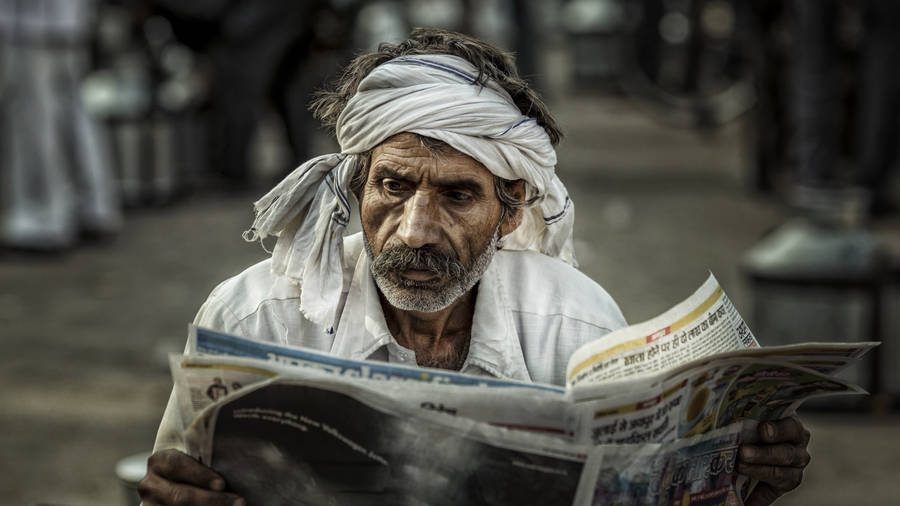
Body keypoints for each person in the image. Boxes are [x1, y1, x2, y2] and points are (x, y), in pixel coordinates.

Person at [138, 28, 811, 506]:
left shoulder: (576, 324)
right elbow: (174, 483)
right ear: (355, 189)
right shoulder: (256, 316)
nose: (415, 230)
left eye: (457, 196)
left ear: (512, 209)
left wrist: (744, 485)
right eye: (394, 186)